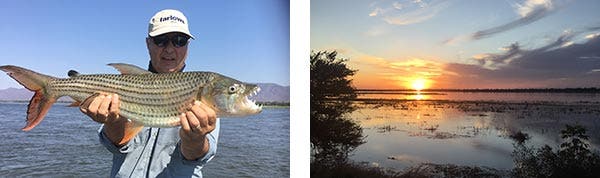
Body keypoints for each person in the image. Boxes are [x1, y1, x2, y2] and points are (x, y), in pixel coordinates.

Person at [78, 9, 219, 177]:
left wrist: (195, 139)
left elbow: (197, 157)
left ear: (188, 45)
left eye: (179, 41)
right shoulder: (125, 87)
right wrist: (113, 123)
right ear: (148, 44)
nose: (169, 49)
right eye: (160, 41)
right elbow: (116, 144)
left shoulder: (205, 94)